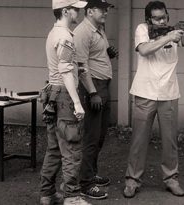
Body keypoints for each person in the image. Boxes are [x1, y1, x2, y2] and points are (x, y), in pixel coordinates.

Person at [123, 0, 184, 198]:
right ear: (148, 19)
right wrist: (168, 36)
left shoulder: (174, 30)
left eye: (164, 17)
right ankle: (132, 180)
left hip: (169, 93)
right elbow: (144, 50)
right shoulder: (142, 29)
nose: (161, 21)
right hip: (145, 91)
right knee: (139, 140)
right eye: (157, 18)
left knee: (170, 141)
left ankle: (171, 179)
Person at [39, 0, 90, 204]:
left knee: (53, 148)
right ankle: (72, 196)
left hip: (52, 93)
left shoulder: (54, 33)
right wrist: (77, 102)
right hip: (64, 96)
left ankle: (47, 193)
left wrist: (79, 69)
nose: (79, 11)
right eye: (76, 8)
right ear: (65, 10)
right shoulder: (65, 36)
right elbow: (65, 70)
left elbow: (65, 67)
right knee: (72, 147)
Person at [73, 0, 117, 200]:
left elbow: (94, 55)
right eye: (103, 9)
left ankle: (91, 173)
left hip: (103, 86)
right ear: (90, 11)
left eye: (107, 9)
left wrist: (108, 53)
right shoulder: (83, 32)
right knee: (91, 136)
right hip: (93, 87)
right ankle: (86, 184)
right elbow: (81, 66)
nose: (106, 12)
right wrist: (92, 93)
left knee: (99, 135)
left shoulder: (98, 29)